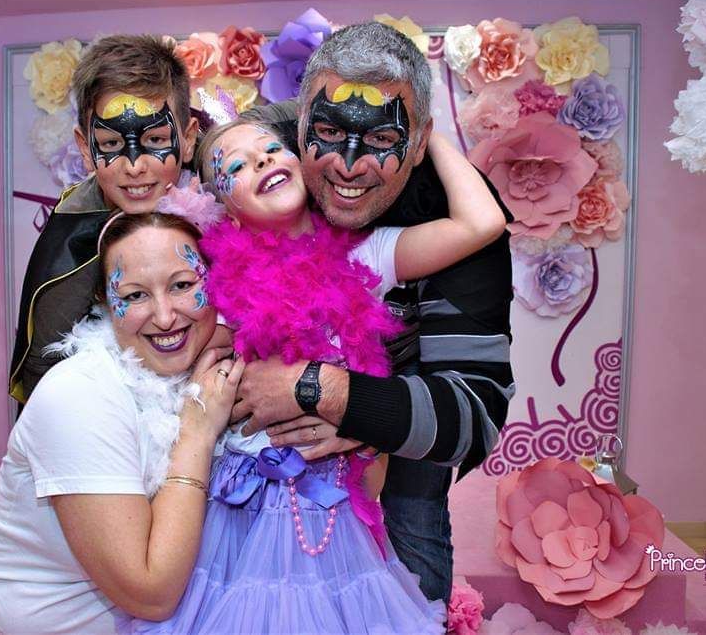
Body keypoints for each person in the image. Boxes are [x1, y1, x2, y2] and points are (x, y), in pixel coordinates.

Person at [118, 113, 502, 633]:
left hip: (332, 504)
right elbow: (177, 350)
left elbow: (481, 223)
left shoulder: (366, 255)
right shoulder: (214, 279)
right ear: (225, 210)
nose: (261, 160)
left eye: (271, 149)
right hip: (243, 507)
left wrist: (419, 131)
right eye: (236, 165)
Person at [236, 21, 517, 603]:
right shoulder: (265, 160)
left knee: (413, 576)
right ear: (300, 123)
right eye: (329, 131)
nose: (349, 165)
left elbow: (474, 415)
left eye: (384, 139)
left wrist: (328, 394)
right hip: (259, 442)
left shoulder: (453, 210)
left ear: (418, 142)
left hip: (404, 420)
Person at [0, 212, 242, 634]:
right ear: (105, 304)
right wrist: (196, 434)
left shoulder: (203, 369)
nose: (165, 316)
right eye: (135, 295)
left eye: (182, 285)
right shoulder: (79, 395)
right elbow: (151, 594)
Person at [9, 33, 200, 405]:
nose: (134, 166)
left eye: (156, 141)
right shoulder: (70, 245)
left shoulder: (219, 186)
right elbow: (41, 377)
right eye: (111, 145)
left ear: (189, 139)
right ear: (85, 148)